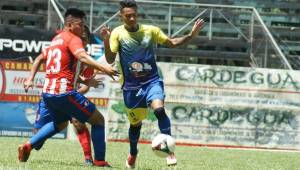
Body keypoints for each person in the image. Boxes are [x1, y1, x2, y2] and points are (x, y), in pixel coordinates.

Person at [99, 0, 204, 168]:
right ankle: (133, 152)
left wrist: (191, 36)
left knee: (160, 110)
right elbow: (110, 58)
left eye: (134, 15)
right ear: (121, 17)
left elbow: (172, 43)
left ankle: (169, 151)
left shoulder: (150, 31)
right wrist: (105, 40)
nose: (132, 19)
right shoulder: (117, 33)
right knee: (135, 125)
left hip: (152, 81)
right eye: (128, 16)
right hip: (131, 88)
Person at [18, 8, 118, 167]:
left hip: (48, 94)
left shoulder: (56, 39)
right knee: (98, 121)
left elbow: (64, 67)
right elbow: (83, 56)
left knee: (60, 123)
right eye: (81, 24)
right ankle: (99, 161)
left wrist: (85, 81)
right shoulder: (73, 39)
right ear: (70, 24)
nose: (83, 29)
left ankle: (28, 145)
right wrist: (105, 69)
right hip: (63, 93)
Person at [27, 25, 98, 166]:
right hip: (51, 95)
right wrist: (30, 78)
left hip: (70, 96)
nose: (80, 40)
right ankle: (31, 144)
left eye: (84, 38)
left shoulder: (87, 62)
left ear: (88, 41)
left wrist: (76, 90)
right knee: (38, 136)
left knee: (78, 122)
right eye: (79, 37)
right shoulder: (62, 47)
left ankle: (88, 159)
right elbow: (40, 59)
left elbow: (85, 88)